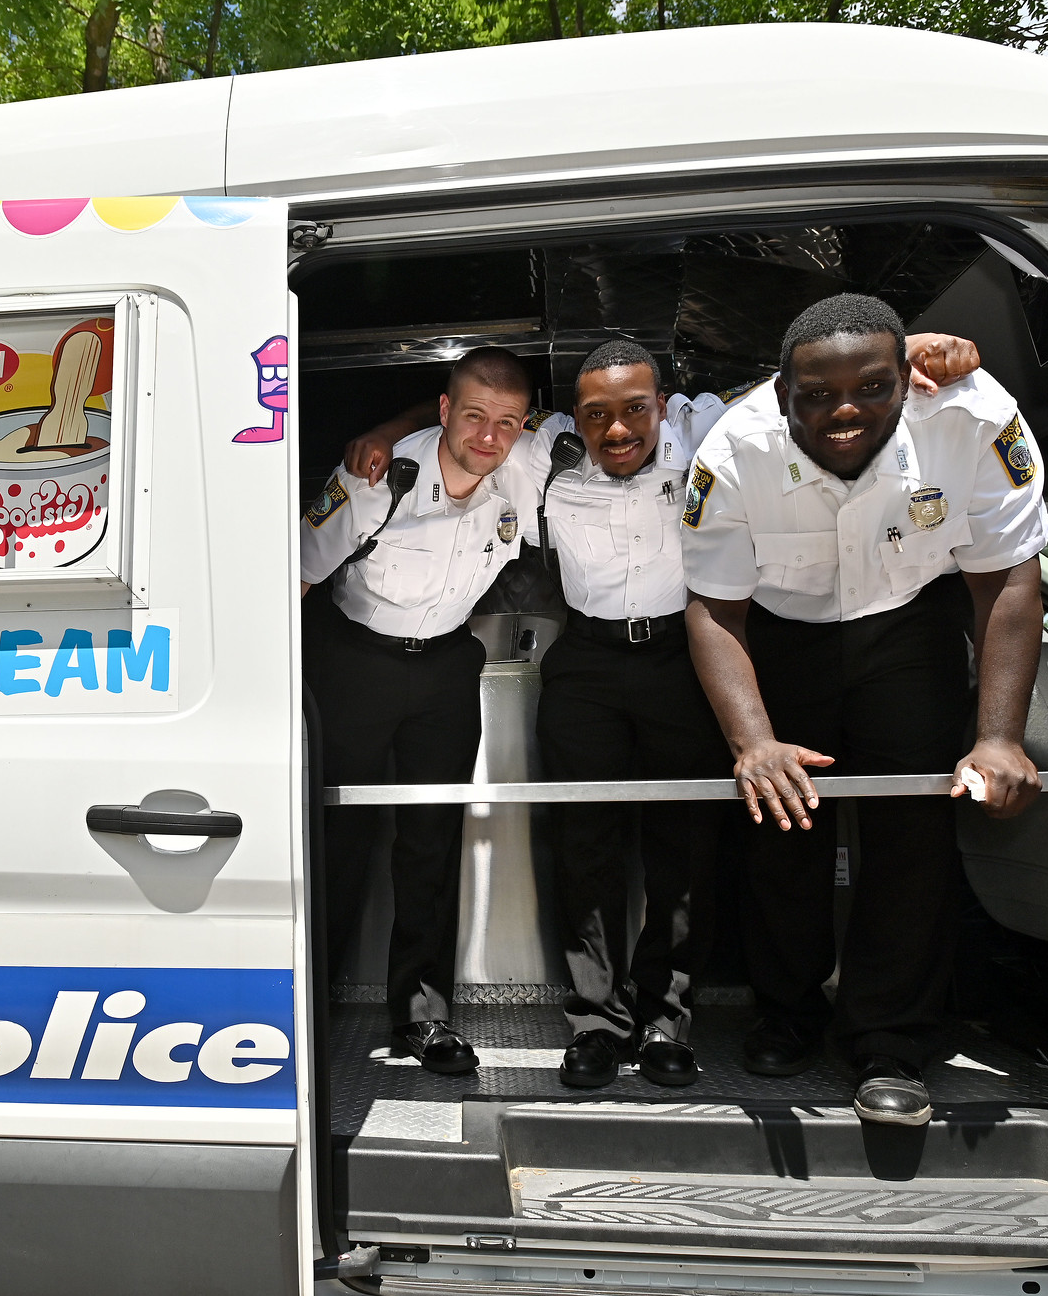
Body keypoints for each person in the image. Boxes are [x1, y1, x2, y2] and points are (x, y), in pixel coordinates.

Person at [345, 332, 985, 1089]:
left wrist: (903, 346)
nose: (617, 429)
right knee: (585, 848)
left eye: (635, 409)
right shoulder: (539, 448)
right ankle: (594, 1024)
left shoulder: (702, 427)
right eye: (596, 414)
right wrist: (386, 432)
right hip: (584, 662)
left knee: (683, 853)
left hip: (684, 660)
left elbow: (787, 387)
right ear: (571, 417)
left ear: (662, 404)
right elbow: (470, 409)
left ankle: (664, 1022)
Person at [682, 292, 1047, 1126]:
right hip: (777, 633)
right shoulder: (735, 448)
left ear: (907, 377)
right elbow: (714, 610)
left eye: (872, 388)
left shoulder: (975, 420)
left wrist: (998, 736)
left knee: (913, 831)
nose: (843, 411)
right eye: (815, 395)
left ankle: (892, 1039)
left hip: (911, 625)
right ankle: (787, 1011)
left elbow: (1006, 577)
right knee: (782, 821)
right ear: (781, 393)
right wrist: (754, 741)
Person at [301, 346, 539, 1075]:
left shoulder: (527, 473)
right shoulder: (379, 477)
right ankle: (307, 1011)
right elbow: (297, 573)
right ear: (444, 411)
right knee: (337, 836)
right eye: (474, 416)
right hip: (355, 663)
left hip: (444, 665)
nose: (489, 437)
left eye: (507, 422)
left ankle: (424, 1016)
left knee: (432, 840)